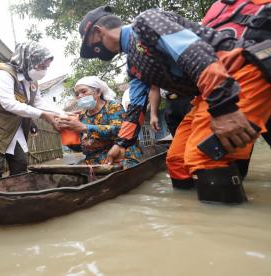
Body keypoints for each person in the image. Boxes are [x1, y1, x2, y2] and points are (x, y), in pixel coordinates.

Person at [78, 6, 271, 204]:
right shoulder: (134, 66)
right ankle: (193, 220)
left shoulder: (145, 22)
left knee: (203, 156)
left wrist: (224, 108)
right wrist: (121, 144)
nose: (95, 53)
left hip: (234, 75)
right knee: (177, 161)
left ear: (98, 32)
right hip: (206, 95)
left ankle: (228, 225)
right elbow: (136, 107)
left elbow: (195, 54)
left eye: (91, 45)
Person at [0, 41, 61, 181]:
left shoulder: (31, 81)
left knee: (20, 165)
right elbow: (9, 103)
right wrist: (43, 115)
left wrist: (64, 114)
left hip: (14, 130)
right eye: (41, 66)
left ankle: (14, 197)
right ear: (28, 60)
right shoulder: (3, 73)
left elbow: (39, 102)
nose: (44, 71)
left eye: (46, 67)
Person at [58, 76, 142, 168]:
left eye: (84, 91)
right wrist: (66, 133)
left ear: (98, 92)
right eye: (77, 94)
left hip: (120, 156)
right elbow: (82, 149)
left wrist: (85, 128)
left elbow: (120, 131)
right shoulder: (81, 116)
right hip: (94, 161)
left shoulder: (113, 107)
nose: (80, 96)